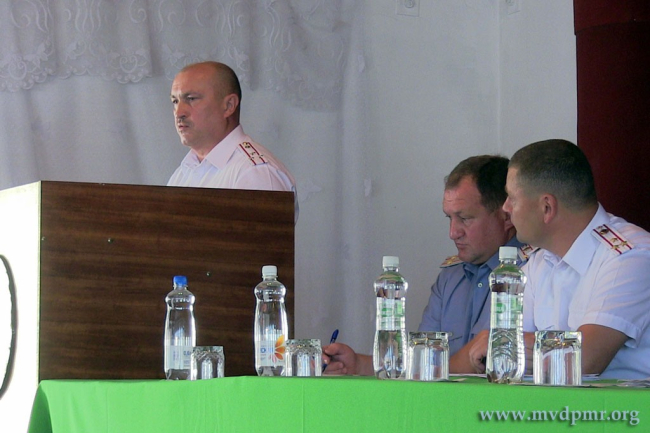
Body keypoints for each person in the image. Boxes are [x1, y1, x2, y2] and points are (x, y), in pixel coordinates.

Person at [323, 155, 525, 375]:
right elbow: (421, 363)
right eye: (449, 218)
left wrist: (466, 361)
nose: (453, 233)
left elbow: (493, 365)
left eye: (465, 218)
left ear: (506, 216)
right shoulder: (450, 278)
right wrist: (358, 364)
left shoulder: (529, 272)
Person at [467, 139, 650, 379]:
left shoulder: (630, 256)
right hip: (557, 400)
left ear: (547, 207)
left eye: (512, 198)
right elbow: (498, 351)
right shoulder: (538, 261)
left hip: (624, 403)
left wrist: (511, 346)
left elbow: (586, 360)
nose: (505, 208)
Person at [167, 61, 297, 198]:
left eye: (191, 99)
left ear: (229, 105)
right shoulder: (183, 173)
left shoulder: (255, 173)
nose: (179, 113)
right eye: (175, 101)